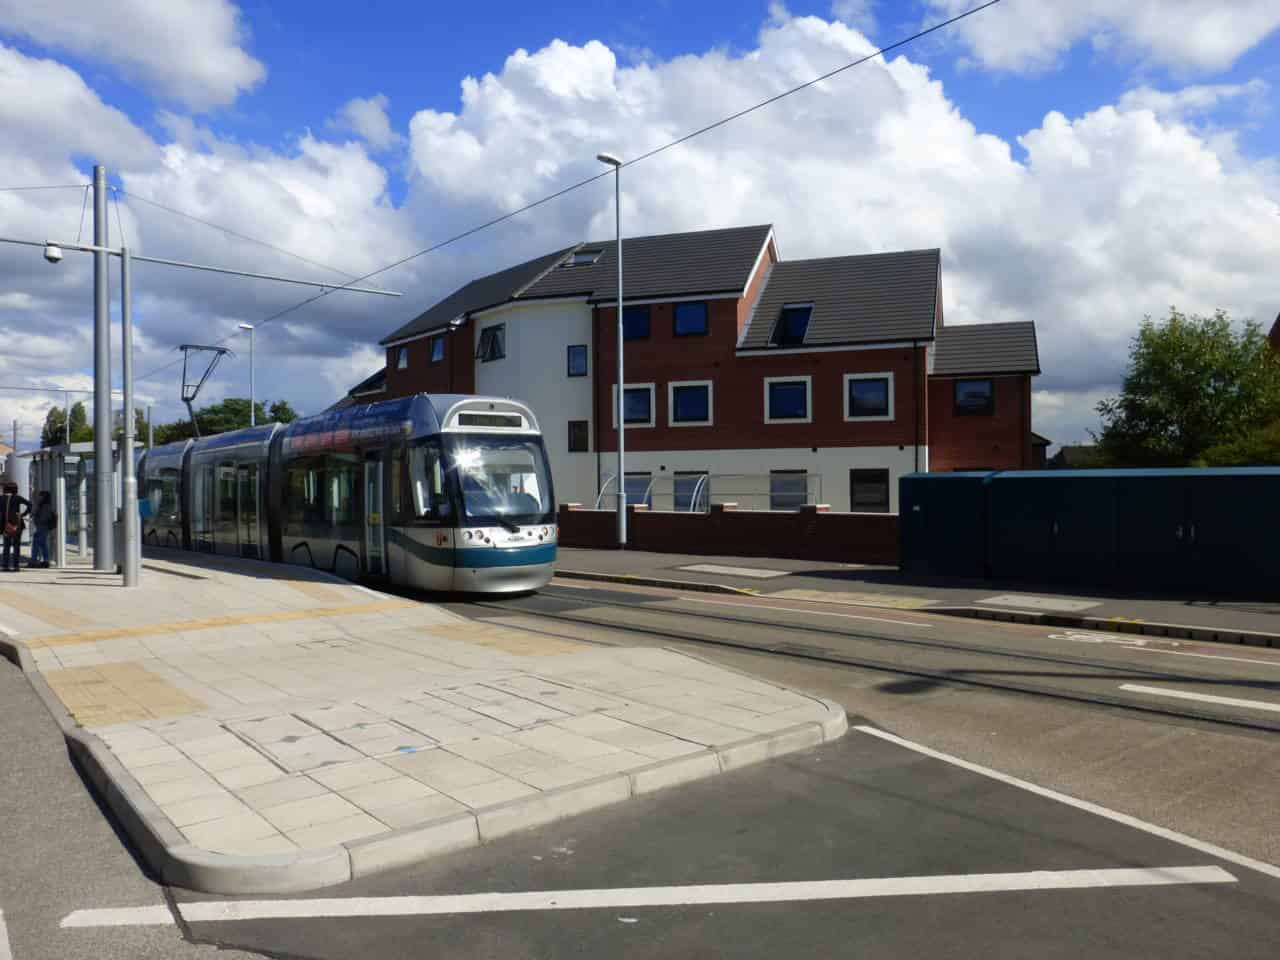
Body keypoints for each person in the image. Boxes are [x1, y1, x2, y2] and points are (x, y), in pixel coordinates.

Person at [1, 482, 31, 573]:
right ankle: (16, 566)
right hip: (17, 524)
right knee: (16, 546)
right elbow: (30, 504)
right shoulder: (17, 498)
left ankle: (5, 565)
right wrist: (23, 514)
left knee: (6, 546)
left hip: (5, 524)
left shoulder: (1, 498)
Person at [30, 490, 55, 569]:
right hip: (41, 528)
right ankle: (45, 561)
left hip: (42, 528)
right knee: (43, 545)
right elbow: (33, 513)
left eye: (40, 496)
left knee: (36, 544)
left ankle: (34, 561)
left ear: (44, 497)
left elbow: (42, 518)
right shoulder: (41, 505)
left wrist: (36, 506)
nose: (38, 497)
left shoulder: (46, 506)